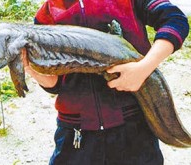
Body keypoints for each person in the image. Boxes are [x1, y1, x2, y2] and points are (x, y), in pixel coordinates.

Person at [23, 0, 189, 164]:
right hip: (75, 132)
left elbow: (175, 20)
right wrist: (30, 67)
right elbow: (56, 84)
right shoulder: (47, 13)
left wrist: (143, 69)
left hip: (134, 127)